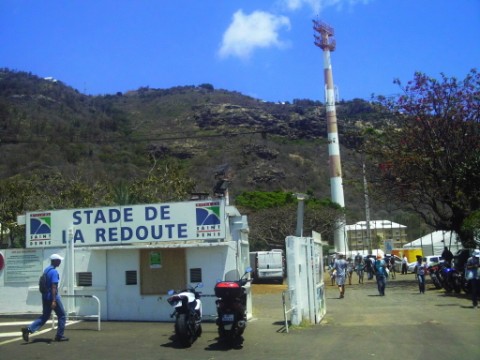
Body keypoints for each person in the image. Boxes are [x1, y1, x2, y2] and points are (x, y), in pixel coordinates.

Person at [22, 254, 68, 342]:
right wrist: (54, 300)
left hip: (45, 296)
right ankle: (59, 336)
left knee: (45, 316)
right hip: (53, 297)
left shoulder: (46, 270)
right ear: (55, 261)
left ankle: (28, 329)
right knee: (62, 315)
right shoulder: (54, 272)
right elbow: (54, 286)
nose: (60, 262)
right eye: (59, 260)